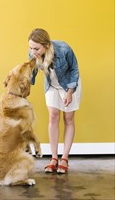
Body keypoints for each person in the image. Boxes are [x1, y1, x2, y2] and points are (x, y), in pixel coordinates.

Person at [28, 28, 82, 173]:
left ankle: (64, 158)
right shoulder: (33, 53)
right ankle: (53, 158)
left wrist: (70, 91)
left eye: (36, 48)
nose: (33, 51)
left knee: (68, 119)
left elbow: (74, 70)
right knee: (53, 117)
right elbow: (30, 73)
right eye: (31, 47)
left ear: (46, 45)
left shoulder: (63, 48)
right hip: (51, 84)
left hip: (69, 84)